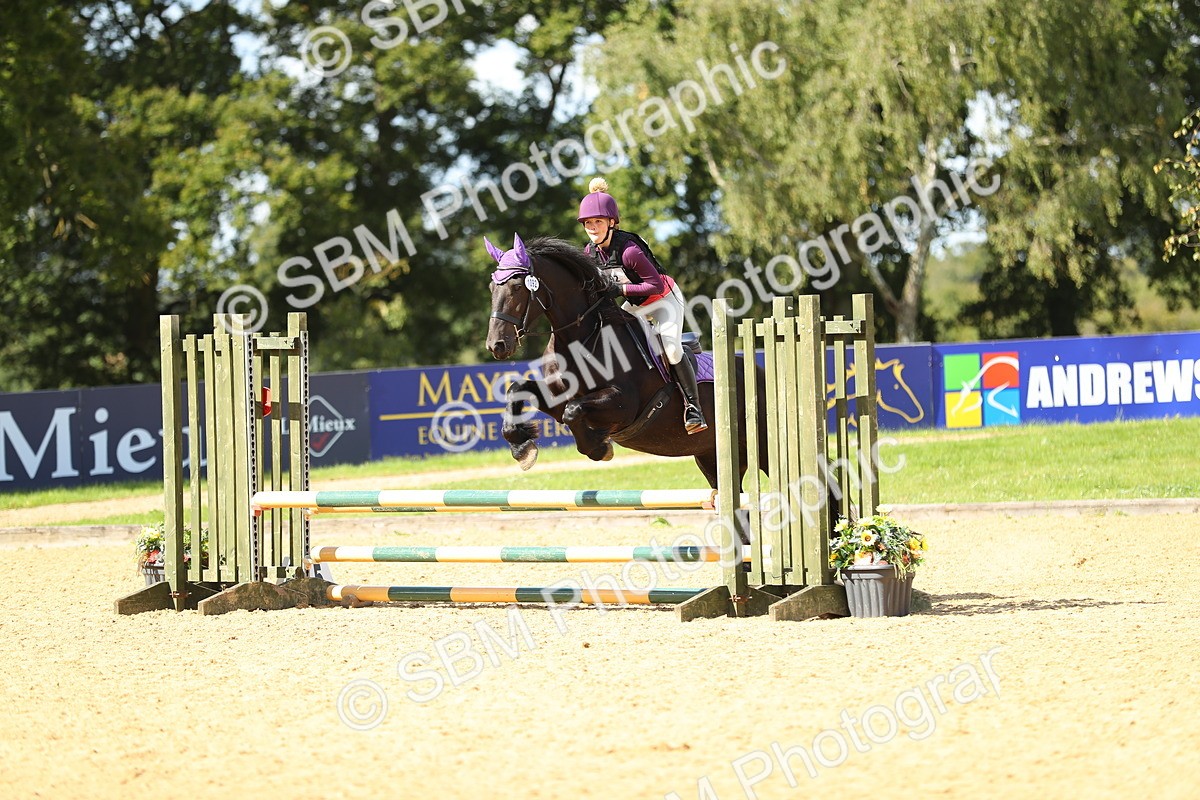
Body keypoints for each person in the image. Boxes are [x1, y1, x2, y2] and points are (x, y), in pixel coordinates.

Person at [578, 177, 707, 434]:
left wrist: (619, 290)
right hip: (635, 304)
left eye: (598, 222)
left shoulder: (629, 251)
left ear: (611, 222)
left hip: (664, 301)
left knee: (670, 350)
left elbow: (655, 286)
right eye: (588, 223)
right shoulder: (589, 254)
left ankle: (694, 409)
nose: (592, 227)